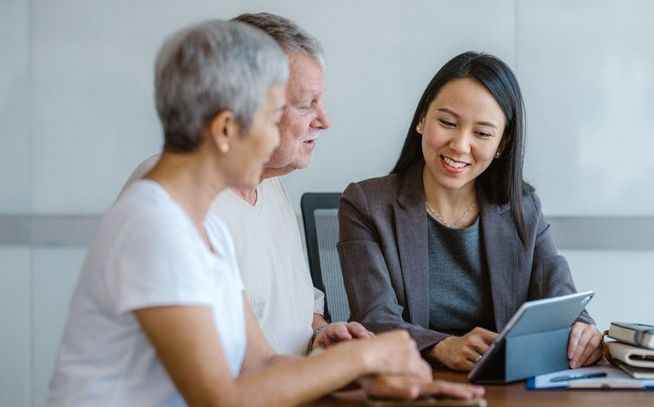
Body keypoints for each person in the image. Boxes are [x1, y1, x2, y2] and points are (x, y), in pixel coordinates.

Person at [48, 21, 484, 406]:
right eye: (274, 114)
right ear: (224, 130)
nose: (283, 132)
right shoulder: (154, 225)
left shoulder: (203, 228)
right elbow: (222, 398)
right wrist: (368, 354)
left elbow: (260, 365)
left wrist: (366, 382)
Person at [337, 52, 604, 372]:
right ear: (422, 119)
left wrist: (582, 330)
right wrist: (441, 347)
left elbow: (562, 301)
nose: (460, 145)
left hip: (505, 388)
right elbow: (374, 320)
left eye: (482, 133)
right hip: (413, 384)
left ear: (502, 144)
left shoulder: (523, 207)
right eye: (448, 123)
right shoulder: (366, 203)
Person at [122, 12, 365, 356]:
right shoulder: (175, 201)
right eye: (306, 104)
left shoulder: (268, 184)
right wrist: (360, 362)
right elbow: (226, 385)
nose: (325, 120)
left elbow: (284, 328)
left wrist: (321, 335)